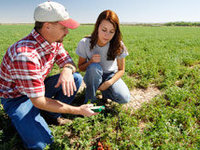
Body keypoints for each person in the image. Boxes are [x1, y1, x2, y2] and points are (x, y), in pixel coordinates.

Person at [0, 1, 98, 149]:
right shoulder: (25, 55)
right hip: (17, 98)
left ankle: (52, 115)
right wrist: (78, 110)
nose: (67, 32)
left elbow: (67, 60)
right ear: (47, 26)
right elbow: (38, 100)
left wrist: (67, 70)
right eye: (64, 27)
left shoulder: (54, 41)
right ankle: (30, 117)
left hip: (36, 89)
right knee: (43, 145)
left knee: (75, 78)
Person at [76, 10, 131, 104]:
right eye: (104, 30)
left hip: (110, 75)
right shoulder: (85, 42)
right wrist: (91, 62)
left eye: (111, 32)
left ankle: (104, 92)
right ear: (97, 27)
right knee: (94, 67)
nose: (107, 35)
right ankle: (90, 100)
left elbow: (121, 70)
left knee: (124, 98)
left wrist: (108, 83)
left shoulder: (118, 45)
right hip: (93, 74)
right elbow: (80, 68)